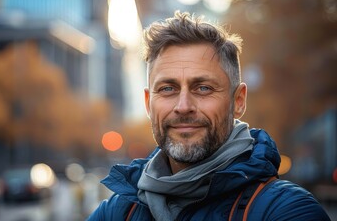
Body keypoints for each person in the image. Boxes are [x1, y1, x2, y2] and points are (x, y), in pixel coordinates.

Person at [87, 11, 331, 221]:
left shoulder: (285, 211)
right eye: (168, 89)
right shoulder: (117, 212)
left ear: (238, 101)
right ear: (149, 103)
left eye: (203, 88)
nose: (183, 106)